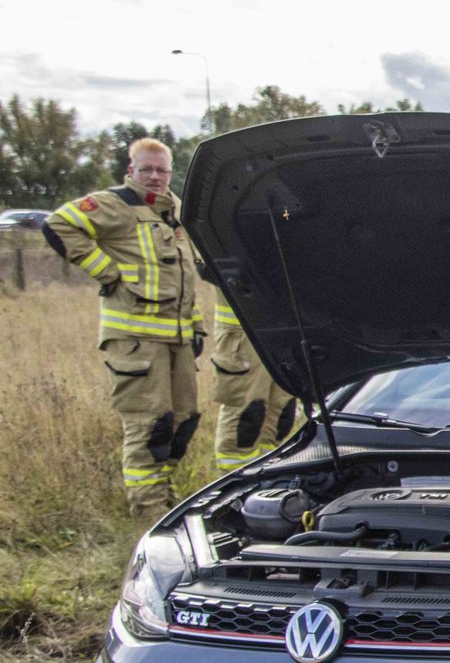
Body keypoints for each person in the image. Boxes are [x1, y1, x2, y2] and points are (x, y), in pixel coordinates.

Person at [43, 138, 207, 520]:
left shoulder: (175, 212)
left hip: (177, 339)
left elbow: (183, 277)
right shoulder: (115, 203)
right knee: (149, 426)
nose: (154, 176)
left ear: (170, 173)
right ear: (130, 171)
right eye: (146, 169)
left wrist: (196, 326)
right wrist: (107, 271)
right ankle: (148, 515)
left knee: (182, 422)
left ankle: (163, 498)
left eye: (161, 170)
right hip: (136, 341)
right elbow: (59, 225)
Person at [209, 286, 298, 471]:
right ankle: (233, 487)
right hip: (242, 333)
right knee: (247, 421)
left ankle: (266, 476)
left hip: (283, 329)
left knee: (280, 418)